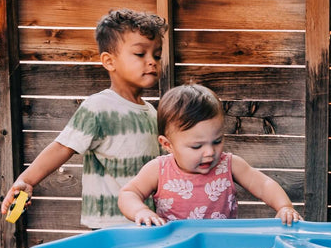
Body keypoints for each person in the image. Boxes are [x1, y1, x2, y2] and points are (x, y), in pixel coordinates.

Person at [0, 8, 168, 228]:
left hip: (146, 222)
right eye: (140, 54)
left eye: (156, 55)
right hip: (108, 227)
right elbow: (62, 147)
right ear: (109, 61)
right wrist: (26, 180)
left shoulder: (153, 113)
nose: (152, 61)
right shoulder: (98, 107)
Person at [118, 83, 302, 226]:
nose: (209, 152)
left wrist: (284, 206)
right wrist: (140, 211)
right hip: (174, 245)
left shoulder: (229, 165)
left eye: (217, 141)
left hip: (220, 246)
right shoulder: (159, 170)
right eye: (197, 146)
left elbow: (263, 184)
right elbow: (129, 193)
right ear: (168, 144)